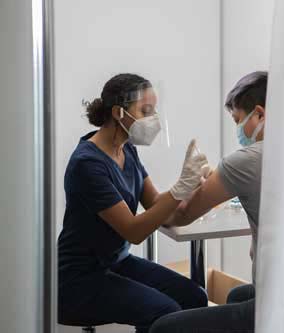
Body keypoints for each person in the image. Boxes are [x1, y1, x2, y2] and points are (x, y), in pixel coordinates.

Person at [57, 73, 209, 333]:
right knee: (166, 312)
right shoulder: (87, 164)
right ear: (118, 112)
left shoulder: (127, 149)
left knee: (194, 297)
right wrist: (180, 187)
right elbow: (134, 231)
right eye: (146, 110)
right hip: (80, 277)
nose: (154, 120)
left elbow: (158, 207)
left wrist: (193, 186)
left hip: (117, 263)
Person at [150, 71, 268, 333]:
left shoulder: (245, 161)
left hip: (277, 299)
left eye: (239, 120)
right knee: (237, 295)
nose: (239, 129)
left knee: (162, 328)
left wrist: (186, 187)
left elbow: (179, 216)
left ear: (259, 114)